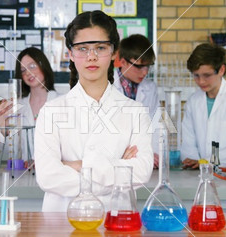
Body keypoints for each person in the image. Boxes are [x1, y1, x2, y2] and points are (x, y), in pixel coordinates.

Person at [34, 10, 154, 212]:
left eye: (100, 47)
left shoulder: (136, 111)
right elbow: (47, 176)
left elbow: (141, 172)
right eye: (82, 48)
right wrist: (117, 168)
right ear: (70, 54)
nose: (92, 56)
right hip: (61, 224)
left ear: (114, 53)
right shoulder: (51, 111)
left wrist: (78, 165)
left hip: (116, 221)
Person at [181, 43, 226, 169]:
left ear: (221, 70)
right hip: (197, 175)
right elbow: (188, 143)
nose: (201, 81)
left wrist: (206, 162)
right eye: (196, 75)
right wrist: (194, 162)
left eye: (207, 75)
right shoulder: (193, 101)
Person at [113, 34, 160, 167]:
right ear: (123, 62)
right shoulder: (106, 85)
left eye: (148, 66)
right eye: (139, 67)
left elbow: (155, 124)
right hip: (113, 160)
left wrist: (153, 153)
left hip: (142, 159)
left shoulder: (150, 88)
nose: (144, 72)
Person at [7, 47, 59, 165]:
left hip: (55, 173)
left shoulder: (62, 103)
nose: (28, 73)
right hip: (26, 175)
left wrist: (41, 161)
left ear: (43, 65)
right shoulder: (19, 106)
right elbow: (13, 149)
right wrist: (4, 128)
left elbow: (70, 146)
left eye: (32, 66)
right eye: (23, 70)